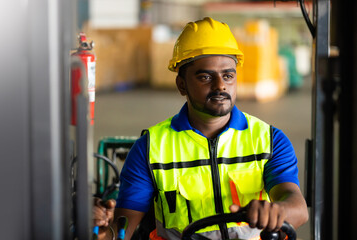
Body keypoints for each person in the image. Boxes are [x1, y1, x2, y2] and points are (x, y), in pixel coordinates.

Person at [93, 17, 308, 240]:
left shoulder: (269, 140)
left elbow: (297, 207)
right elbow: (120, 231)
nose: (220, 85)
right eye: (206, 77)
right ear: (181, 85)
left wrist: (277, 212)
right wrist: (99, 229)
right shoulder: (150, 150)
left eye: (228, 75)